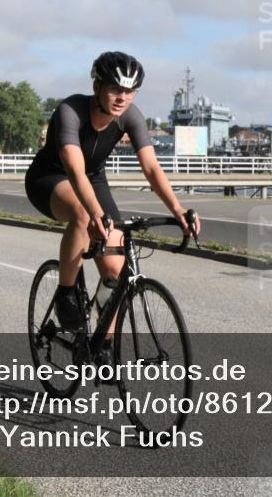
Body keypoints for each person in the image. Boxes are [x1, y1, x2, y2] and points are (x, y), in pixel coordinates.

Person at [24, 52, 201, 352]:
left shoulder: (130, 117)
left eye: (129, 91)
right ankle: (66, 293)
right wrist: (95, 212)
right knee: (83, 214)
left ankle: (102, 343)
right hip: (50, 178)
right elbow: (74, 169)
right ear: (97, 87)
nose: (122, 97)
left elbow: (151, 168)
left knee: (117, 273)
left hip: (93, 179)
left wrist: (179, 210)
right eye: (115, 89)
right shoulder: (71, 110)